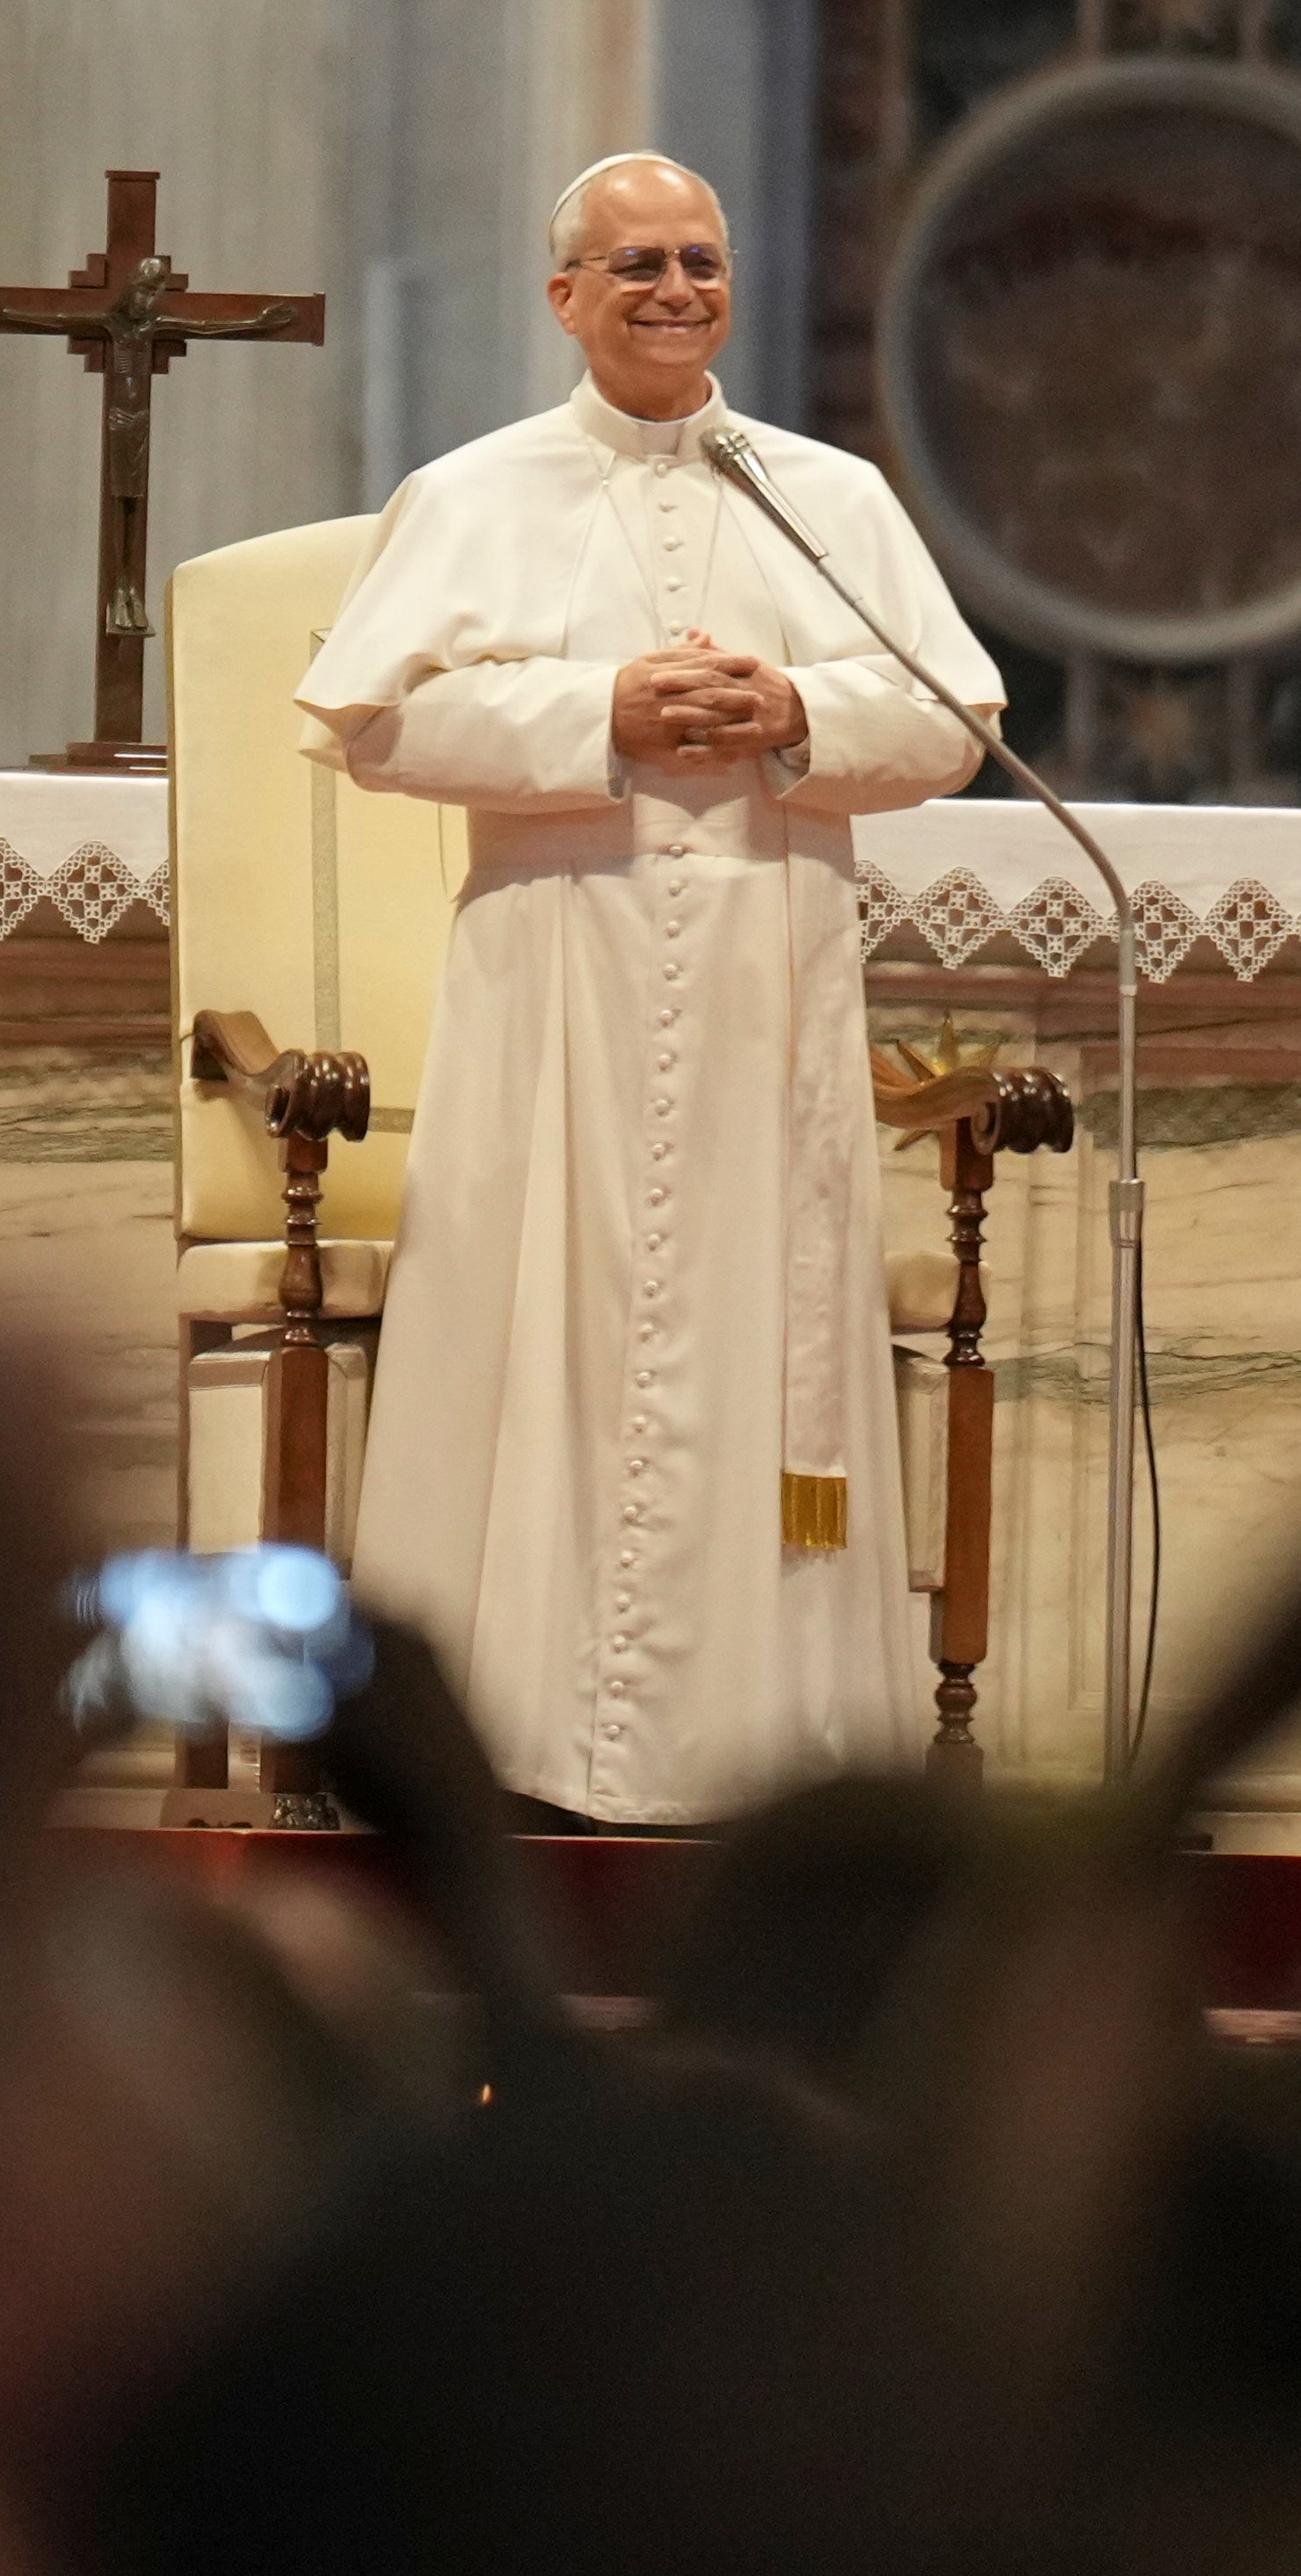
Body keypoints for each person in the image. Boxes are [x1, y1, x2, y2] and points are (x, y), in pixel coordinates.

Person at [295, 154, 1001, 1830]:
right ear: (565, 297)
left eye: (700, 259)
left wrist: (797, 718)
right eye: (633, 266)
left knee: (773, 1355)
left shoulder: (823, 496)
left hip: (772, 984)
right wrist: (602, 711)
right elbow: (375, 727)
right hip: (557, 990)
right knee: (538, 1333)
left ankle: (776, 1760)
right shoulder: (474, 492)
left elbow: (958, 721)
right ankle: (510, 1747)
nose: (673, 290)